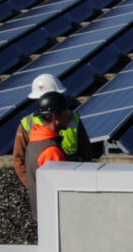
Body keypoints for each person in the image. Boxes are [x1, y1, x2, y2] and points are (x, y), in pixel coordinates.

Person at [13, 73, 93, 188]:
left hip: (74, 175)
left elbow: (86, 150)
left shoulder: (71, 117)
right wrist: (34, 186)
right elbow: (19, 160)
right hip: (48, 182)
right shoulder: (27, 124)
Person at [25, 91, 71, 219]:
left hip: (42, 213)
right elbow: (62, 190)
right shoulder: (51, 151)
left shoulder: (36, 140)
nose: (70, 116)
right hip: (53, 217)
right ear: (56, 118)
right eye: (67, 112)